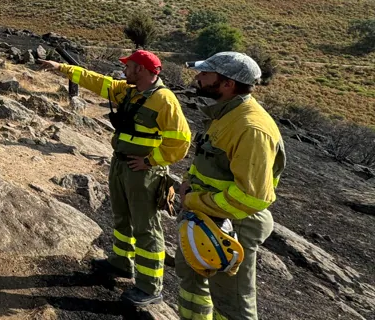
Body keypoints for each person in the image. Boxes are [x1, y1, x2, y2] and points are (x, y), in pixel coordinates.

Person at [40, 50, 191, 306]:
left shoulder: (164, 100)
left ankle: (150, 287)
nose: (124, 71)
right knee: (122, 217)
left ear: (141, 70)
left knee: (146, 228)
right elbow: (97, 81)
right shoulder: (128, 90)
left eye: (129, 67)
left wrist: (150, 161)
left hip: (145, 173)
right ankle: (122, 263)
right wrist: (60, 68)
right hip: (121, 165)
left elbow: (181, 142)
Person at [176, 52, 285, 320]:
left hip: (233, 226)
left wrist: (192, 200)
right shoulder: (224, 114)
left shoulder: (251, 128)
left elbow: (251, 198)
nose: (198, 77)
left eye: (205, 74)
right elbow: (207, 160)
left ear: (228, 84)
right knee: (192, 284)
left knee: (232, 305)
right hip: (205, 217)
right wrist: (188, 182)